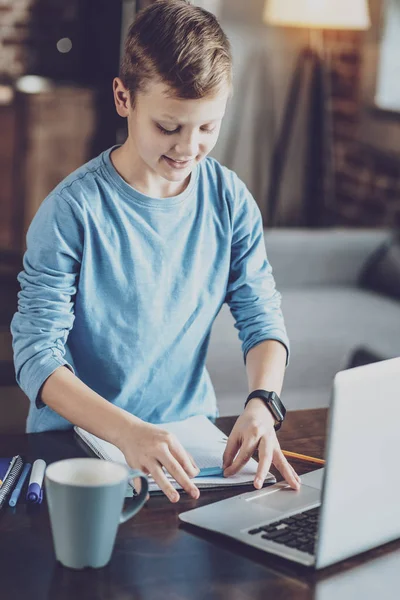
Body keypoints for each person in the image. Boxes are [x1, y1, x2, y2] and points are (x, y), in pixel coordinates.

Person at [11, 0, 300, 502]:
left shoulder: (229, 199)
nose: (189, 148)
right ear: (124, 98)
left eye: (208, 128)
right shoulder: (72, 211)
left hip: (190, 447)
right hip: (76, 449)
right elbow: (36, 357)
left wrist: (263, 400)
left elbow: (263, 319)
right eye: (170, 126)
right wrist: (126, 431)